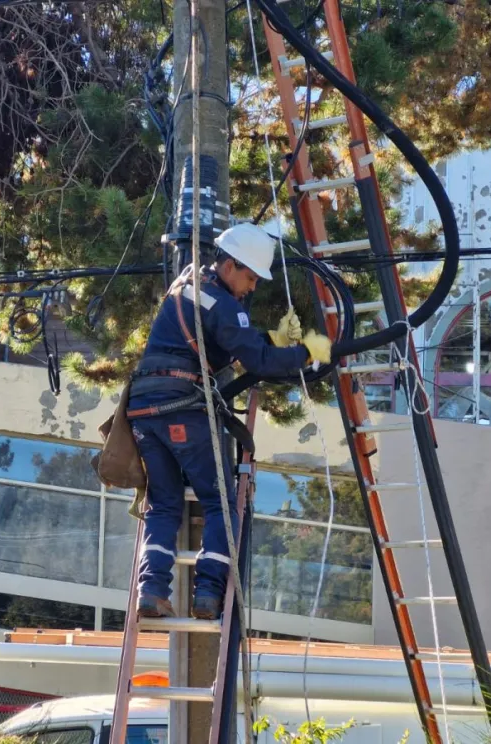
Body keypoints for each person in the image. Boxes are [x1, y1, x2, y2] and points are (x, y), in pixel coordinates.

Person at [126, 222, 331, 621]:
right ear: (231, 265)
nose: (252, 287)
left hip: (143, 409)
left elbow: (238, 341)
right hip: (180, 407)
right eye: (250, 277)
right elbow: (256, 361)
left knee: (164, 504)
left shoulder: (188, 287)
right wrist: (307, 352)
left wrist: (271, 339)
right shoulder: (222, 305)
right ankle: (208, 594)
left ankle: (151, 591)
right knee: (221, 503)